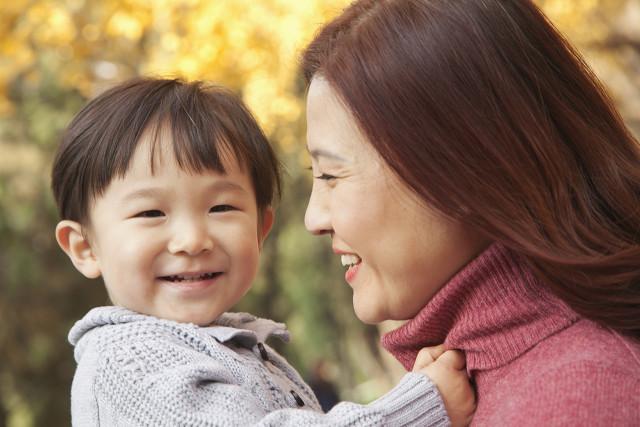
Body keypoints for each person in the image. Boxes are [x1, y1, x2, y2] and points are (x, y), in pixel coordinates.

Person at [51, 77, 475, 426]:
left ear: (260, 228)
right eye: (150, 212)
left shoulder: (231, 348)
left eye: (221, 207)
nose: (193, 239)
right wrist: (420, 408)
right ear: (85, 247)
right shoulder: (128, 364)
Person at [301, 0, 640, 425]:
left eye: (331, 175)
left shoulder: (581, 400)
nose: (313, 218)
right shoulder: (472, 385)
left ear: (459, 170)